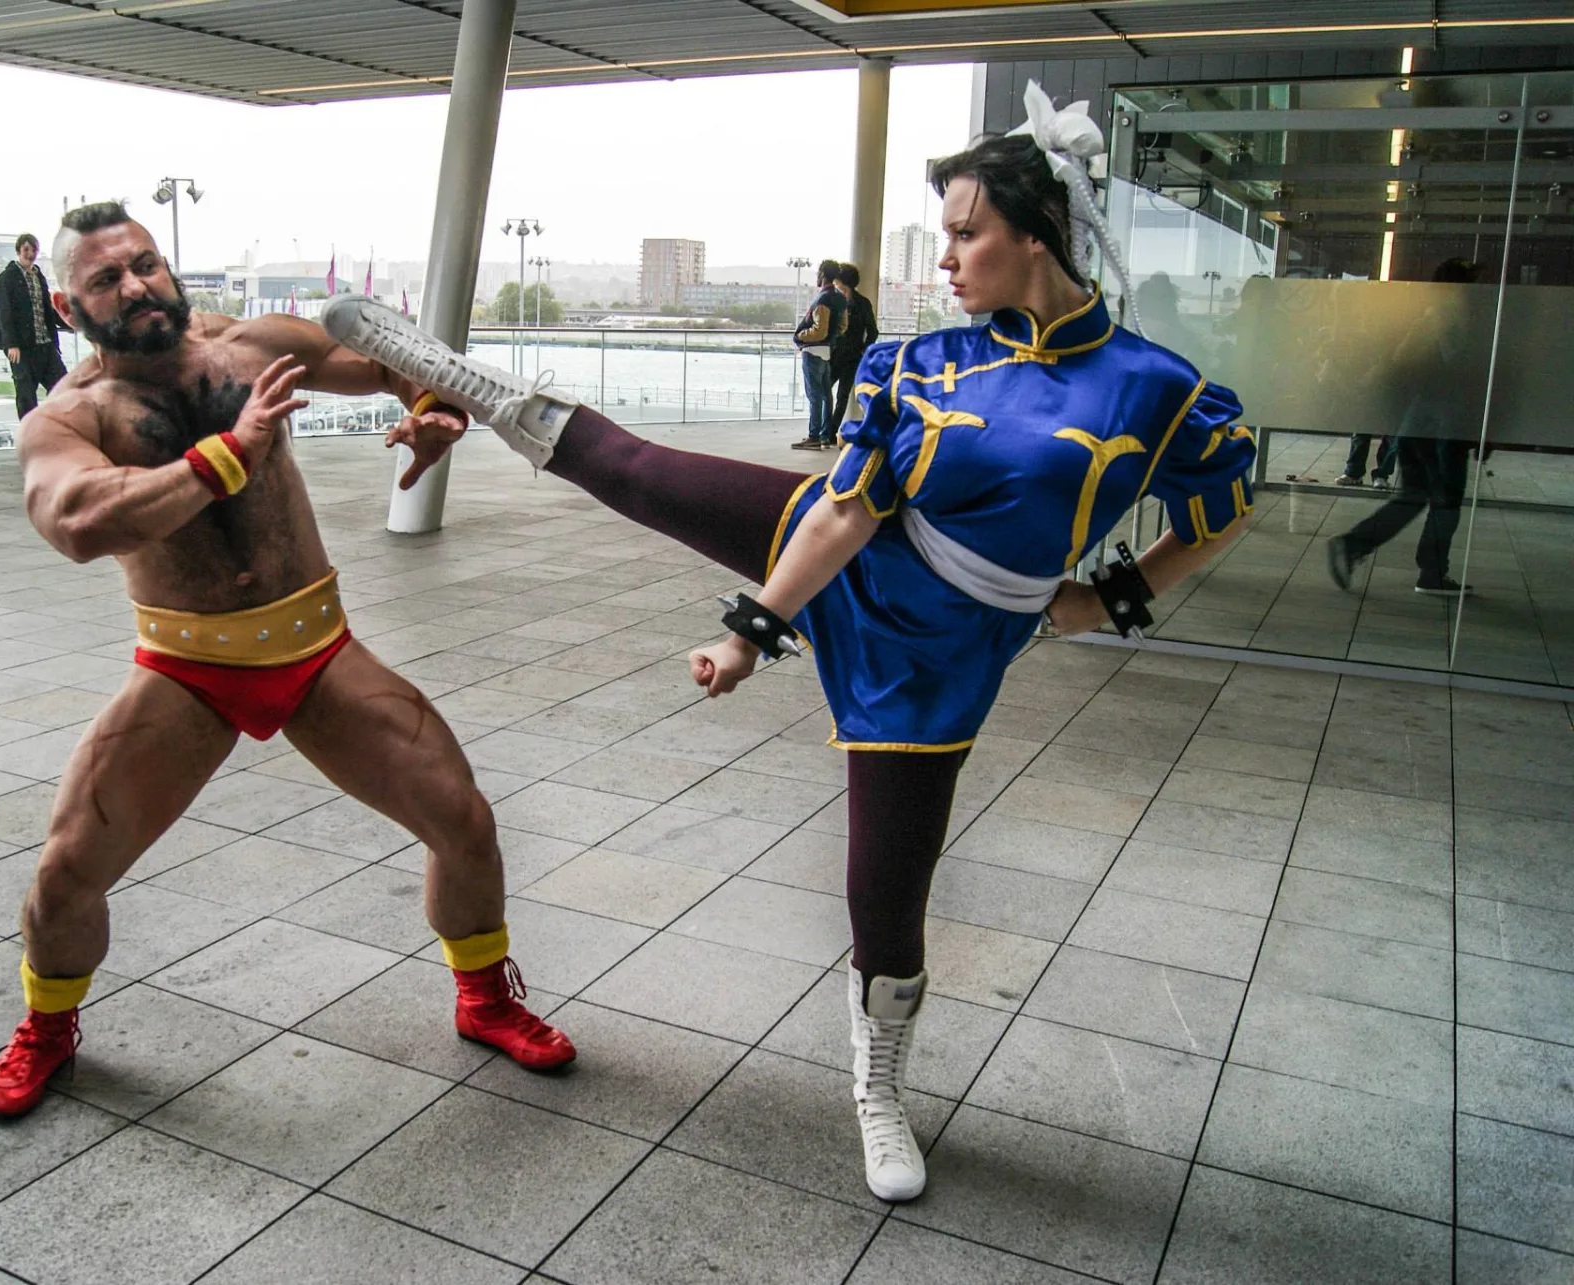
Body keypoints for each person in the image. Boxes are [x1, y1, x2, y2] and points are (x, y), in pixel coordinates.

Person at [325, 82, 1255, 1204]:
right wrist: (752, 633)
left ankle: (879, 1079)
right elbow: (845, 510)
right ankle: (469, 381)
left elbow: (1225, 506)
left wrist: (1106, 600)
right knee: (641, 472)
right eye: (946, 234)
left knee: (888, 899)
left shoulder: (1157, 388)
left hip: (946, 657)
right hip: (861, 555)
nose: (946, 256)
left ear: (1037, 232)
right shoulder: (919, 363)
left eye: (966, 232)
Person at [0, 202, 574, 1119]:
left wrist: (429, 410)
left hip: (314, 645)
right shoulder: (70, 416)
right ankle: (46, 1031)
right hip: (184, 667)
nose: (136, 286)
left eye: (146, 264)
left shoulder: (249, 345)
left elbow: (388, 360)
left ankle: (485, 998)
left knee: (465, 820)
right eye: (107, 278)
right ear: (68, 308)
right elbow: (79, 521)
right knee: (65, 875)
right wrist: (226, 455)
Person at [1326, 258, 1485, 597]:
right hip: (1444, 426)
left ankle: (1354, 544)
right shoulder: (1455, 320)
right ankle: (1431, 573)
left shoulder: (1426, 315)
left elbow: (1400, 361)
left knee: (1413, 496)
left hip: (1415, 423)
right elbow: (1463, 372)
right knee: (1446, 501)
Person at [0, 233, 71, 419]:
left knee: (63, 387)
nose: (31, 253)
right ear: (19, 250)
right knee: (26, 396)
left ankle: (61, 429)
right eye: (26, 249)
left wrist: (68, 322)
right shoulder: (6, 279)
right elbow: (5, 312)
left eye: (34, 249)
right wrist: (11, 344)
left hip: (45, 344)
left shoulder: (39, 276)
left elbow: (47, 310)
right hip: (23, 349)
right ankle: (31, 436)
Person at [792, 259, 847, 450]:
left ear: (822, 274)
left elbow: (820, 330)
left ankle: (813, 436)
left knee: (814, 395)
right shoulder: (840, 298)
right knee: (826, 395)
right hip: (826, 352)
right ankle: (824, 435)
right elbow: (842, 326)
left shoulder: (823, 298)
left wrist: (800, 335)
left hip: (813, 351)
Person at [829, 262, 880, 431]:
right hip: (838, 354)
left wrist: (863, 350)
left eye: (837, 282)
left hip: (850, 357)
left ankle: (830, 431)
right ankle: (824, 429)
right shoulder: (838, 301)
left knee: (841, 396)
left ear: (844, 282)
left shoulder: (860, 303)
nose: (835, 285)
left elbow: (873, 331)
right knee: (825, 393)